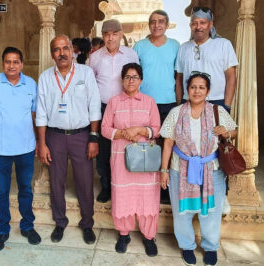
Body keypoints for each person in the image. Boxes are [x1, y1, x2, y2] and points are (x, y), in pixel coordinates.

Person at [159, 72, 237, 266]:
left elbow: (234, 130)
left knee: (211, 211)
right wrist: (164, 170)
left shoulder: (217, 111)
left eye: (201, 87)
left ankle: (210, 247)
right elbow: (168, 142)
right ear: (187, 90)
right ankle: (187, 246)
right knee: (182, 212)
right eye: (193, 87)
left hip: (212, 170)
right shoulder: (176, 113)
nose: (197, 91)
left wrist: (226, 132)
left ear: (208, 91)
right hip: (180, 170)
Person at [36, 35, 101, 245]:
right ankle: (60, 222)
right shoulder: (45, 77)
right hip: (55, 136)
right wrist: (42, 143)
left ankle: (88, 224)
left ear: (73, 51)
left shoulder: (86, 73)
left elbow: (94, 107)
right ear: (52, 54)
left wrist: (93, 137)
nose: (62, 53)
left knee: (84, 181)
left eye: (65, 48)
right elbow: (41, 113)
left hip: (82, 136)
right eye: (57, 49)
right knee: (56, 181)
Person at [0, 46, 41, 252]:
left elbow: (35, 116)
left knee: (25, 189)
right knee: (2, 191)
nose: (11, 65)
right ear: (2, 63)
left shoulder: (31, 84)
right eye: (8, 61)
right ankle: (2, 230)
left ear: (21, 64)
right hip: (0, 149)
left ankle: (27, 226)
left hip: (26, 148)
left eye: (15, 62)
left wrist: (40, 142)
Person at [101, 63, 161, 257]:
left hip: (145, 160)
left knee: (147, 197)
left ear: (141, 80)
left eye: (134, 77)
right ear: (122, 80)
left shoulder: (149, 102)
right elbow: (104, 128)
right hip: (121, 158)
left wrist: (141, 130)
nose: (130, 80)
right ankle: (124, 234)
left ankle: (149, 236)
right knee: (122, 196)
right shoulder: (113, 102)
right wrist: (123, 133)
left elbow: (157, 129)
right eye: (127, 77)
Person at [133, 10, 180, 204]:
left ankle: (164, 188)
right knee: (145, 145)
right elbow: (133, 75)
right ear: (149, 25)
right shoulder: (139, 46)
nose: (157, 25)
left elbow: (179, 77)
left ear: (167, 24)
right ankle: (144, 187)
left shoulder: (175, 46)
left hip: (168, 102)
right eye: (153, 22)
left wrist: (179, 104)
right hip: (145, 103)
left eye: (161, 22)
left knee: (167, 145)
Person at [90, 19, 139, 203]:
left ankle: (124, 186)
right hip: (103, 108)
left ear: (120, 34)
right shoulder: (95, 57)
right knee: (104, 149)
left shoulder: (130, 54)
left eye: (114, 34)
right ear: (103, 36)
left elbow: (135, 79)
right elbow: (91, 82)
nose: (110, 38)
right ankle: (106, 186)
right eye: (106, 34)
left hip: (124, 107)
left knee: (124, 147)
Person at [175, 7, 238, 113]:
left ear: (210, 24)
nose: (198, 27)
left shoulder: (224, 44)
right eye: (194, 23)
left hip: (216, 102)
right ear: (190, 26)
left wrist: (226, 106)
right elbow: (179, 79)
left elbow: (231, 77)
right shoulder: (183, 47)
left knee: (216, 130)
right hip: (188, 102)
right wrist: (179, 104)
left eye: (202, 22)